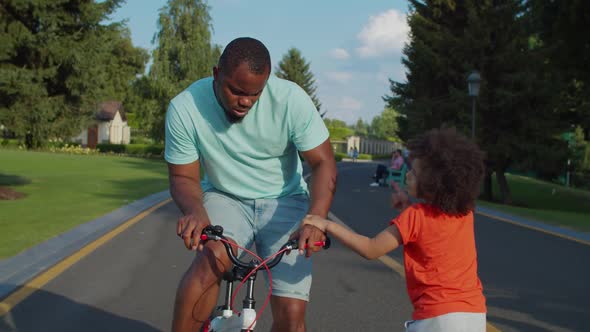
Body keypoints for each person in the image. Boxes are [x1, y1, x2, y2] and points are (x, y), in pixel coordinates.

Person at [165, 37, 337, 332]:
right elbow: (183, 177)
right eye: (236, 91)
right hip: (225, 196)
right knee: (210, 261)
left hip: (286, 199)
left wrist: (316, 219)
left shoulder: (291, 100)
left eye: (255, 93)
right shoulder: (185, 107)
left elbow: (323, 163)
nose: (246, 101)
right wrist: (195, 210)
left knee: (292, 314)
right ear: (217, 74)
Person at [301, 128, 487, 331]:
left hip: (438, 318)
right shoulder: (465, 214)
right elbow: (434, 232)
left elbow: (371, 249)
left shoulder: (415, 217)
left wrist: (326, 223)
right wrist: (408, 206)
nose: (408, 175)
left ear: (434, 184)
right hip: (474, 314)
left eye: (414, 174)